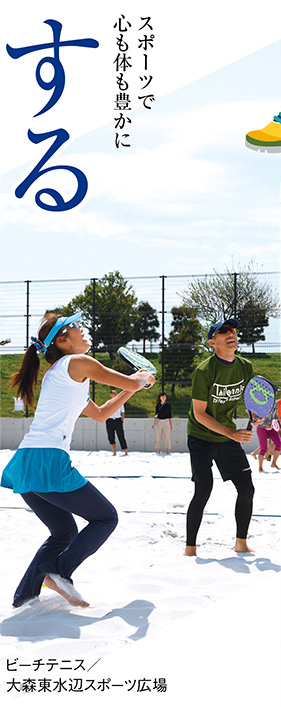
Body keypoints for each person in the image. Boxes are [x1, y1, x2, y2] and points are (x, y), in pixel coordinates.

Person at [0, 311, 155, 608]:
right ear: (63, 340)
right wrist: (142, 378)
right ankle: (59, 571)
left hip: (27, 461)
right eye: (76, 328)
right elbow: (132, 382)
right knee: (106, 518)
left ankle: (24, 598)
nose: (83, 330)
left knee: (63, 533)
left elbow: (100, 414)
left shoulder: (63, 373)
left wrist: (134, 386)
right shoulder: (78, 363)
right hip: (48, 460)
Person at [184, 318, 263, 557]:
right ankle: (190, 549)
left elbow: (251, 401)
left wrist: (255, 416)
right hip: (200, 437)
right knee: (204, 489)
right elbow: (199, 414)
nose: (232, 334)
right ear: (212, 342)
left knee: (247, 488)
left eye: (233, 330)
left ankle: (240, 543)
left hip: (227, 437)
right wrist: (231, 432)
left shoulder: (245, 366)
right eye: (224, 331)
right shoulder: (204, 371)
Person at [105, 389, 128, 455]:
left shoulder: (120, 402)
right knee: (111, 436)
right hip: (110, 420)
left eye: (115, 393)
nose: (114, 394)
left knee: (121, 436)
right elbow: (105, 411)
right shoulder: (108, 402)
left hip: (118, 420)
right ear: (110, 395)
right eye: (113, 393)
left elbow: (122, 412)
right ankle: (114, 452)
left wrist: (122, 420)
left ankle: (126, 452)